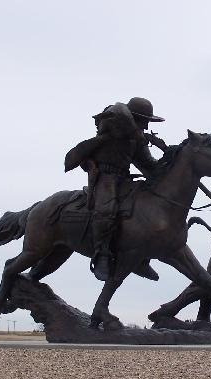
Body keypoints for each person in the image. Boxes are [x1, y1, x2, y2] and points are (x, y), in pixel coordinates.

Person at [64, 97, 164, 281]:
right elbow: (119, 110)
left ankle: (142, 259)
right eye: (143, 121)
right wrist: (137, 134)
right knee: (106, 209)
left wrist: (170, 160)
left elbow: (148, 165)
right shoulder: (112, 127)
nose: (146, 126)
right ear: (133, 118)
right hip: (105, 178)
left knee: (148, 208)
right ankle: (101, 254)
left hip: (124, 179)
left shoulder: (135, 141)